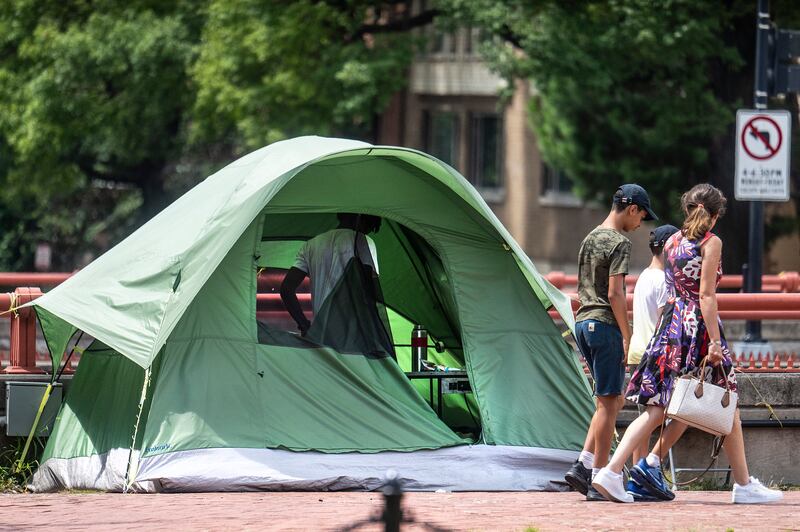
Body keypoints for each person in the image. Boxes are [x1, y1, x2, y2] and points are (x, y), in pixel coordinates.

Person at [592, 183, 783, 504]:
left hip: (669, 327)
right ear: (716, 215)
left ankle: (612, 471)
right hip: (697, 328)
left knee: (656, 407)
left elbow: (674, 290)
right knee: (728, 399)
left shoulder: (672, 243)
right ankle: (744, 485)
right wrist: (716, 343)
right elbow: (707, 296)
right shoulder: (711, 243)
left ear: (687, 209)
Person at [564, 184, 656, 501]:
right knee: (608, 402)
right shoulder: (619, 242)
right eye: (641, 215)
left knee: (609, 400)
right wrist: (627, 334)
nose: (640, 224)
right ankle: (601, 478)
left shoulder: (590, 237)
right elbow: (617, 294)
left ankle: (584, 464)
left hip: (581, 323)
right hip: (604, 326)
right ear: (632, 209)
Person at [623, 224, 678, 502]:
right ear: (669, 248)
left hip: (636, 351)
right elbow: (664, 324)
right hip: (654, 355)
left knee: (645, 418)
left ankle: (637, 476)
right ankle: (646, 470)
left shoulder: (644, 275)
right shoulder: (664, 281)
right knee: (668, 415)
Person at [280, 213, 382, 336]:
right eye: (369, 228)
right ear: (363, 221)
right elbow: (370, 292)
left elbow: (286, 289)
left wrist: (304, 325)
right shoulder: (363, 241)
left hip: (322, 333)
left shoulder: (310, 245)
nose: (367, 232)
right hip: (354, 335)